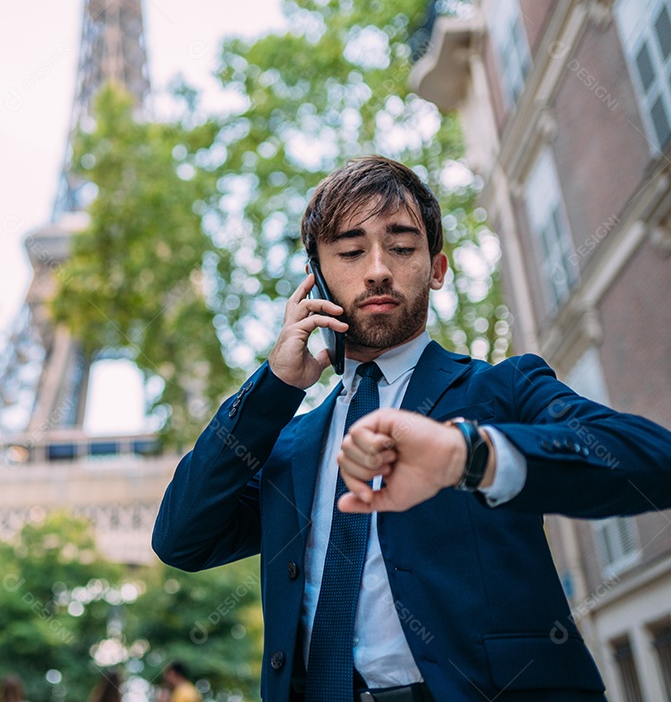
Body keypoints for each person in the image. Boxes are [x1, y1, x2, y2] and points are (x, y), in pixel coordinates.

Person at [152, 155, 671, 702]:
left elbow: (651, 461)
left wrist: (466, 455)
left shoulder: (501, 389)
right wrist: (274, 388)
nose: (378, 268)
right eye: (350, 252)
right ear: (316, 281)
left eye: (401, 247)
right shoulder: (290, 446)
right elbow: (181, 538)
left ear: (438, 268)